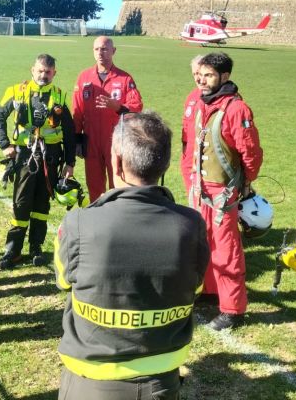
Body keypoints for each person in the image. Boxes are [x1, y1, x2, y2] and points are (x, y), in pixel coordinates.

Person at [55, 111, 209, 399]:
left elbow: (64, 281)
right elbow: (196, 287)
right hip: (162, 380)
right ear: (164, 164)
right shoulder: (193, 225)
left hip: (91, 379)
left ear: (115, 161)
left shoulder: (78, 223)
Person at [189, 52, 263, 330]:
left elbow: (250, 152)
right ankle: (210, 292)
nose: (202, 80)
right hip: (202, 189)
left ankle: (232, 309)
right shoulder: (202, 104)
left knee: (227, 249)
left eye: (209, 75)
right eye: (201, 74)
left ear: (225, 77)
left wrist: (245, 183)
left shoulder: (235, 109)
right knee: (204, 242)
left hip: (223, 191)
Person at [0, 54, 76, 268]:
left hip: (51, 155)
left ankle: (36, 248)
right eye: (40, 71)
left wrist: (69, 162)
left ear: (54, 73)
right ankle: (13, 250)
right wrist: (5, 145)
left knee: (41, 203)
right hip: (24, 154)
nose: (43, 75)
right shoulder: (16, 91)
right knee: (21, 203)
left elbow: (69, 130)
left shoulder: (59, 96)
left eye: (48, 72)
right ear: (32, 70)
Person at [72, 36, 143, 201]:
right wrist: (77, 139)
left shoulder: (124, 79)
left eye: (104, 49)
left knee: (118, 184)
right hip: (91, 140)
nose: (100, 53)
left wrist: (117, 107)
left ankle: (118, 219)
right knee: (94, 185)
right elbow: (77, 110)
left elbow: (137, 107)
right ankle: (98, 218)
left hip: (116, 140)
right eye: (96, 49)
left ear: (113, 51)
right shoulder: (84, 77)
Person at [180, 55, 203, 194]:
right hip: (189, 159)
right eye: (195, 74)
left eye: (200, 73)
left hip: (207, 161)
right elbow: (186, 126)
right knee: (193, 200)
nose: (198, 78)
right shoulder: (192, 96)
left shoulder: (223, 99)